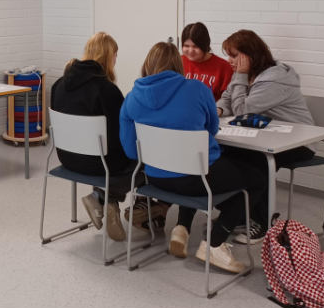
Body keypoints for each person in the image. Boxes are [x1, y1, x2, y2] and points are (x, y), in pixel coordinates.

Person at [119, 42, 266, 273]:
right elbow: (212, 128)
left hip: (155, 179)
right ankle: (215, 243)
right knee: (256, 179)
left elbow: (130, 151)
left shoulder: (131, 97)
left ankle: (182, 228)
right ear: (178, 64)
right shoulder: (197, 89)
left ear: (147, 64)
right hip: (197, 178)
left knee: (198, 171)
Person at [216, 29, 314, 243]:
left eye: (234, 55)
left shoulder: (275, 79)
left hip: (297, 141)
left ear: (249, 55)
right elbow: (228, 97)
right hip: (266, 136)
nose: (229, 60)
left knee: (257, 160)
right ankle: (241, 213)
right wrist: (219, 109)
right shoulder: (244, 73)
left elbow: (242, 109)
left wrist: (240, 77)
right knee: (226, 152)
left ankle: (263, 221)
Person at [50, 32, 146, 242]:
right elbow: (119, 139)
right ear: (109, 56)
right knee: (145, 163)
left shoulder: (58, 84)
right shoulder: (107, 89)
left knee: (104, 153)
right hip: (98, 164)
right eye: (115, 55)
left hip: (67, 158)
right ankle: (105, 198)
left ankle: (101, 198)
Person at [180, 22, 233, 101]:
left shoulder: (224, 67)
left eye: (195, 46)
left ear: (205, 45)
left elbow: (228, 100)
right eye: (186, 46)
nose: (190, 50)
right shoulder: (178, 62)